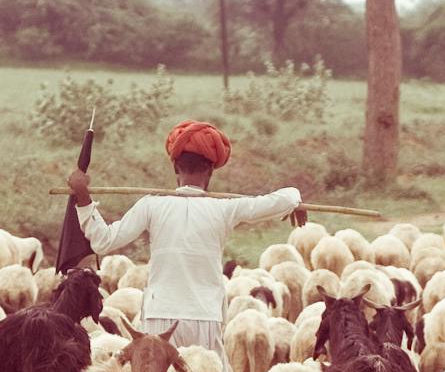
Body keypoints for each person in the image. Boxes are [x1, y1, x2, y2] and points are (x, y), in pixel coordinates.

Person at [66, 120, 306, 354]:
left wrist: (83, 197)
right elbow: (281, 199)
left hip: (159, 318)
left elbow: (102, 241)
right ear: (211, 170)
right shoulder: (224, 208)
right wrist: (295, 201)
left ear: (175, 168)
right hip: (205, 318)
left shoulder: (152, 205)